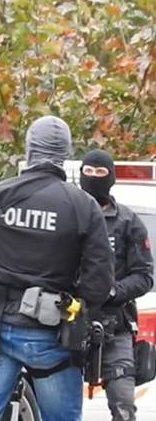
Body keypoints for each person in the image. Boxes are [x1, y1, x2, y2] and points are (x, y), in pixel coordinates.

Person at [0, 116, 115, 421]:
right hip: (53, 334)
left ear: (29, 148)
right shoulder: (83, 206)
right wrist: (78, 317)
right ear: (66, 153)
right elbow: (99, 282)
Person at [80, 149, 153, 421]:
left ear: (110, 177)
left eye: (100, 173)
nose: (94, 178)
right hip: (67, 325)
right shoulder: (68, 214)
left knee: (123, 406)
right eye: (88, 172)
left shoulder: (127, 221)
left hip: (115, 327)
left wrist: (111, 292)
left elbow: (144, 276)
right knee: (57, 407)